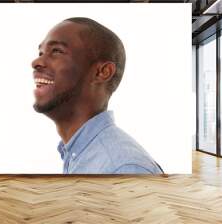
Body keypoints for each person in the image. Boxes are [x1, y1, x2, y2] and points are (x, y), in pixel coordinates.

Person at [31, 17, 163, 174]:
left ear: (102, 72)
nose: (36, 62)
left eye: (57, 51)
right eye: (41, 52)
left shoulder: (123, 168)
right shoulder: (79, 155)